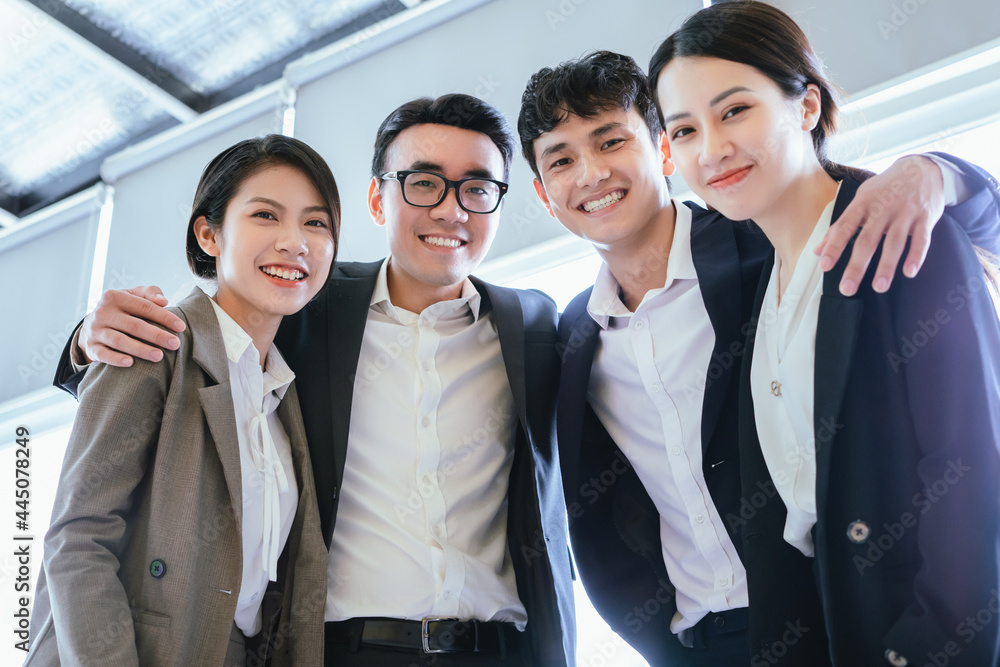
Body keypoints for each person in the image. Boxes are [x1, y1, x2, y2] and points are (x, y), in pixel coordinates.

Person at [54, 94, 575, 666]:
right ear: (379, 199)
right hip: (343, 651)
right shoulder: (309, 311)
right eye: (424, 182)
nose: (452, 210)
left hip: (500, 651)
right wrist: (87, 341)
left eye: (477, 189)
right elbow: (205, 332)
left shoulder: (533, 325)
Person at [517, 50, 1000, 665]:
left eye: (611, 141)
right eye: (561, 160)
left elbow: (913, 223)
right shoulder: (570, 335)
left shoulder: (770, 251)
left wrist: (934, 169)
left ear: (664, 149)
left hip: (832, 609)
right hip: (695, 640)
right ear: (542, 191)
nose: (590, 174)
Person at [650, 2, 1000, 665]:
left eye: (734, 111)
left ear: (806, 105)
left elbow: (971, 474)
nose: (711, 149)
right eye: (685, 130)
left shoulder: (906, 234)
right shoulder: (755, 289)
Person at [26, 135, 338, 666]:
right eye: (266, 215)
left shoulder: (283, 391)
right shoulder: (154, 343)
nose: (295, 241)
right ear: (209, 234)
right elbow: (77, 541)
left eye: (316, 223)